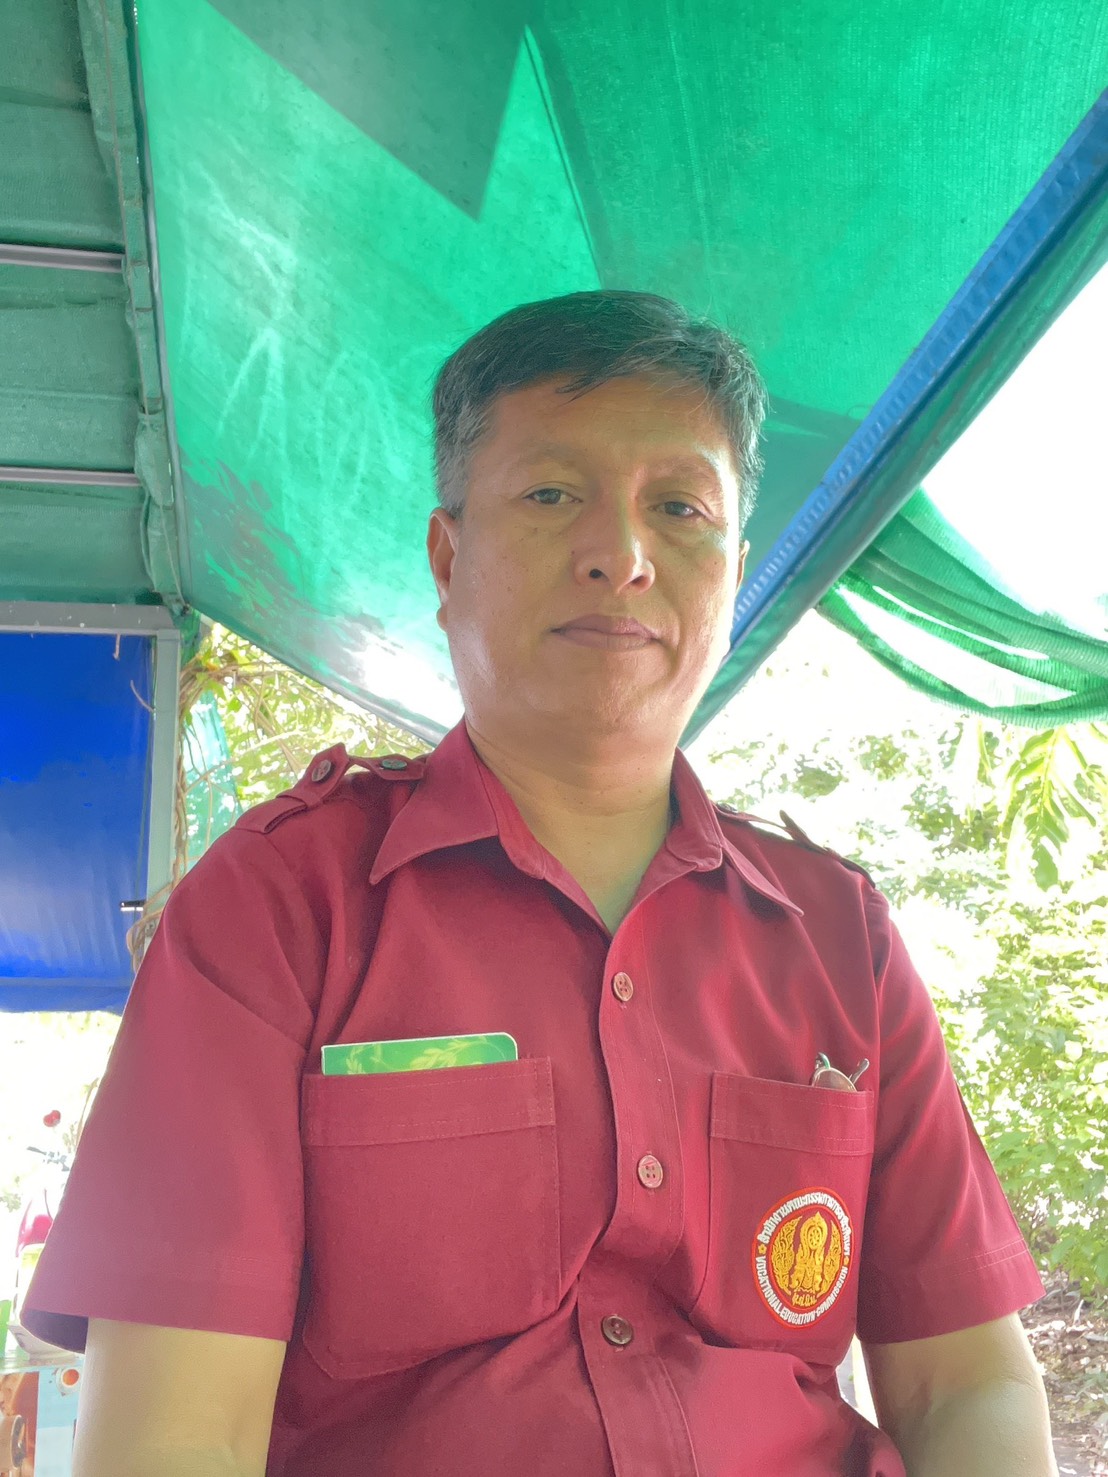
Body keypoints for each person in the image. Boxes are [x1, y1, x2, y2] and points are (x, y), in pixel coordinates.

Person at [22, 291, 1055, 1476]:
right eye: (553, 494)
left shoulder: (839, 936)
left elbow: (967, 1381)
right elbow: (175, 1435)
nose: (622, 554)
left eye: (679, 508)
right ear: (447, 558)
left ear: (731, 575)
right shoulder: (281, 904)